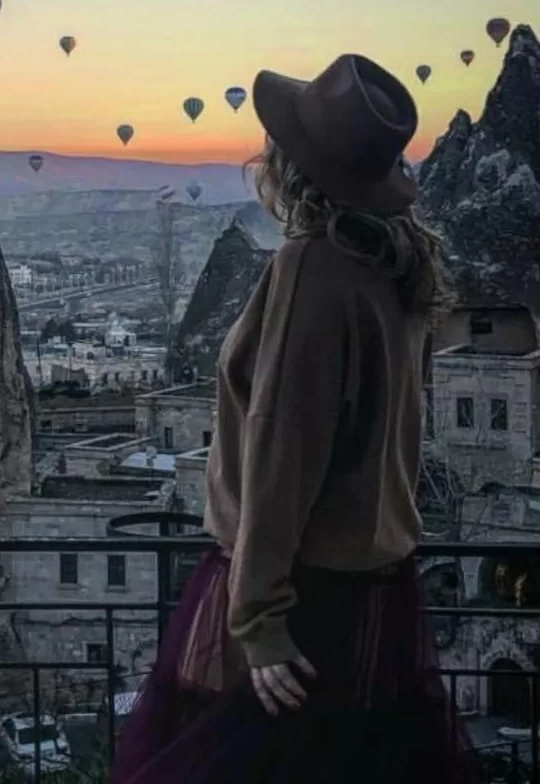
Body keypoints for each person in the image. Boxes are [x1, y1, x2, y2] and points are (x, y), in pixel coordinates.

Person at [110, 54, 480, 784]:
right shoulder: (395, 269)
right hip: (375, 589)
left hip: (298, 593)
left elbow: (284, 444)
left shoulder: (313, 267)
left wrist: (259, 618)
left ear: (291, 166)